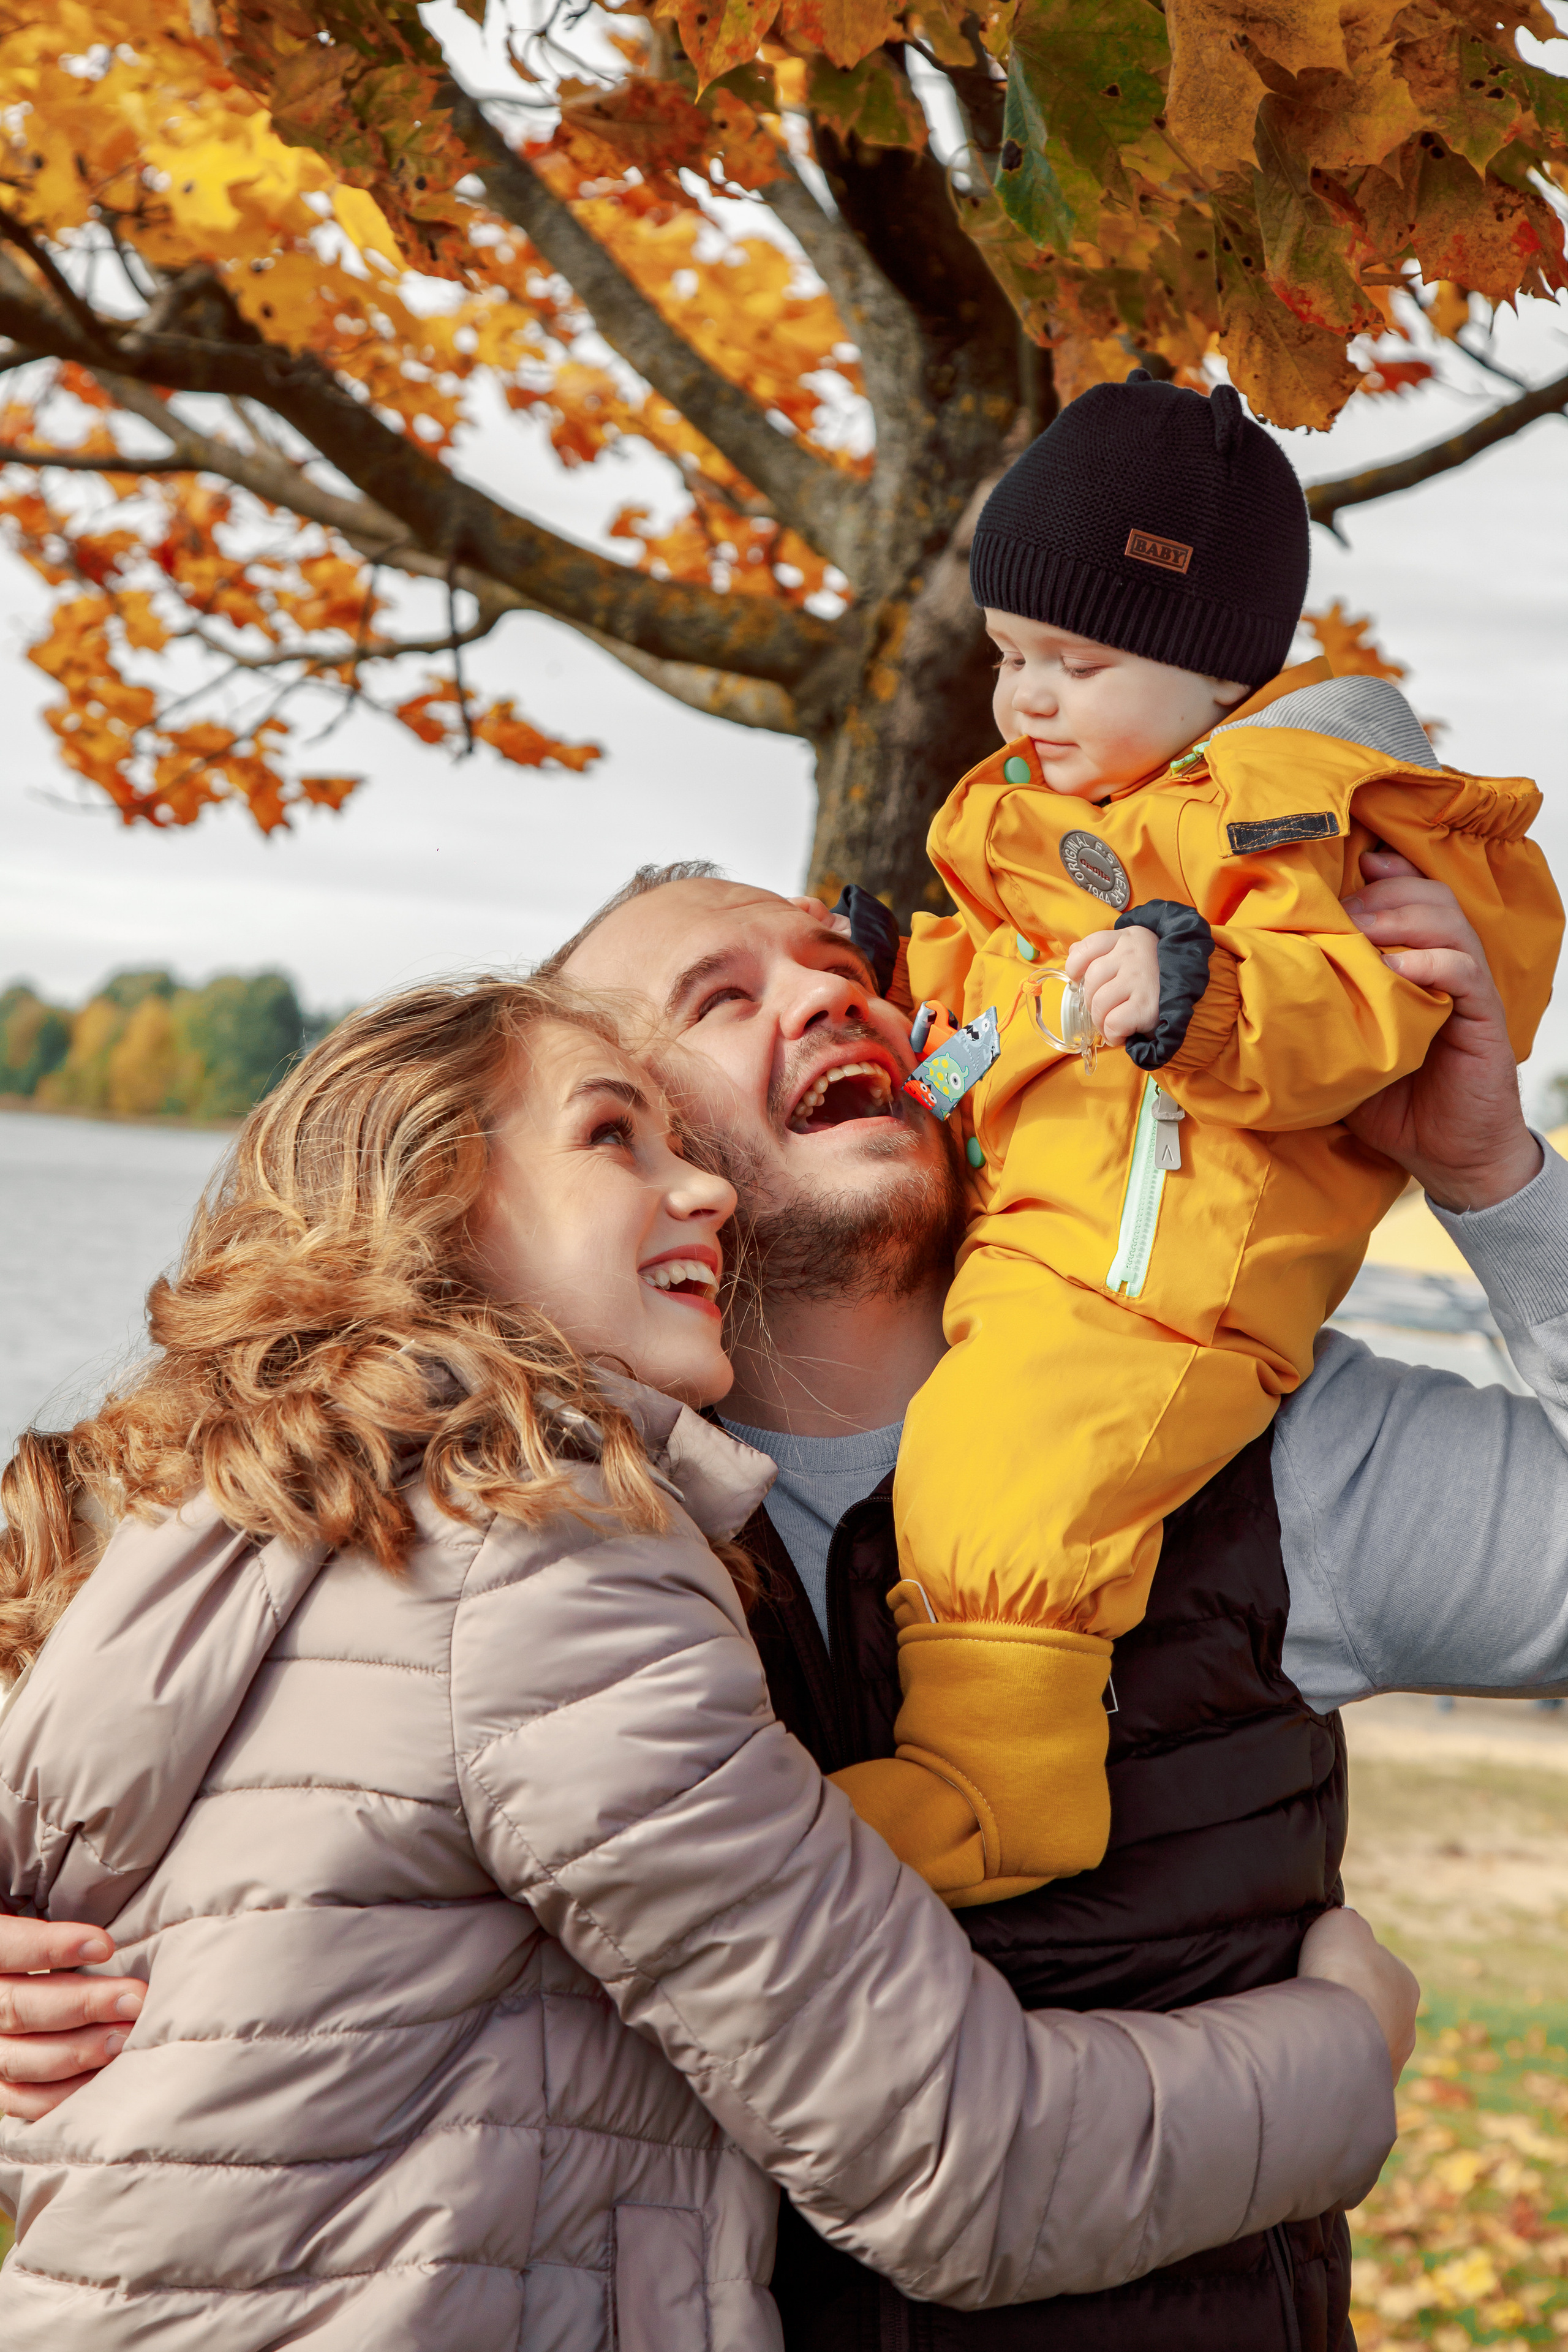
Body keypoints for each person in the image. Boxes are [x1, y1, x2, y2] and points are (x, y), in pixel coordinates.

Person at [0, 847, 1555, 2347]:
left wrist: (1493, 1175)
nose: (833, 1004)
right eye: (717, 999)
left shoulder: (1254, 1431)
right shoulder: (470, 1513)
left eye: (849, 976)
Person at [839, 373, 1563, 1909]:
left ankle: (997, 1791)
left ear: (1210, 667)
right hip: (1048, 1243)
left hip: (1166, 1286)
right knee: (986, 1456)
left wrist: (1200, 993)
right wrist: (879, 975)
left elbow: (1345, 1005)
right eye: (1007, 657)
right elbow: (994, 1000)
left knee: (1006, 1477)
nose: (1024, 698)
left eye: (1075, 660)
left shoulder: (1278, 823)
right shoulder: (1045, 830)